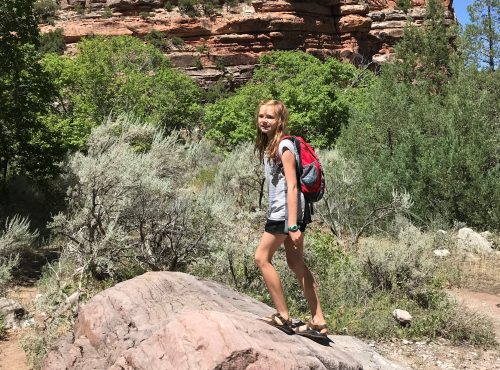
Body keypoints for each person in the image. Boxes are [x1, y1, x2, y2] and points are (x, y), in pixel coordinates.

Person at [254, 99, 328, 339]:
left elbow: (293, 185)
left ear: (280, 121)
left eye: (270, 117)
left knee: (261, 258)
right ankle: (318, 321)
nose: (264, 120)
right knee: (296, 264)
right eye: (261, 116)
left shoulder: (283, 146)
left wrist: (293, 224)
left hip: (285, 214)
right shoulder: (271, 146)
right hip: (288, 213)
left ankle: (283, 316)